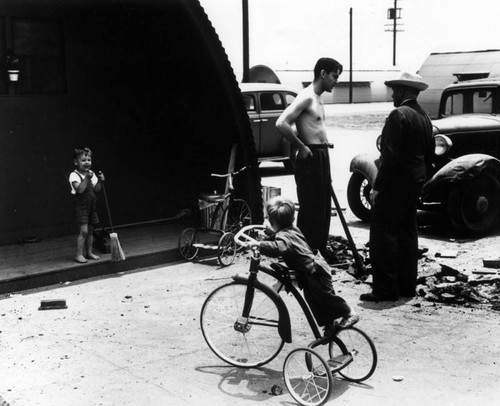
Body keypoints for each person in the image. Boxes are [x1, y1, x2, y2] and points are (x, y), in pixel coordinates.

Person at [360, 72, 434, 302]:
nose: (392, 95)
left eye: (394, 90)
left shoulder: (398, 115)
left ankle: (385, 290)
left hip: (395, 184)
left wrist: (377, 187)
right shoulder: (424, 116)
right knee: (408, 234)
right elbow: (430, 154)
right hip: (415, 182)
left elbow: (389, 158)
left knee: (384, 236)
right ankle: (406, 287)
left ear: (402, 91)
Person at [246, 196, 359, 334]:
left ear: (271, 221)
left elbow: (278, 248)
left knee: (326, 298)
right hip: (311, 270)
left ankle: (349, 312)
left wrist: (258, 244)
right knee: (314, 299)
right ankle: (330, 324)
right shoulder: (292, 229)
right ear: (292, 219)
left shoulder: (283, 237)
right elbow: (285, 239)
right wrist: (271, 232)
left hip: (315, 271)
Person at [276, 57, 342, 256]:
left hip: (320, 155)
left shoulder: (319, 98)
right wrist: (301, 146)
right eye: (334, 76)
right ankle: (303, 255)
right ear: (323, 74)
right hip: (310, 158)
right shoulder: (306, 96)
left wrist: (324, 142)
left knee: (322, 209)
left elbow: (313, 127)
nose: (336, 81)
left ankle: (317, 252)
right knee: (311, 209)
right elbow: (281, 123)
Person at [69, 147, 105, 263]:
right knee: (83, 231)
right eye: (83, 160)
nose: (87, 162)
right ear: (76, 162)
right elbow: (79, 190)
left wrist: (100, 181)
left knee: (90, 231)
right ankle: (79, 255)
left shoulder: (91, 174)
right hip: (81, 208)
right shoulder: (73, 175)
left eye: (89, 160)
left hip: (91, 207)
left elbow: (97, 189)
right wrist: (86, 178)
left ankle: (89, 253)